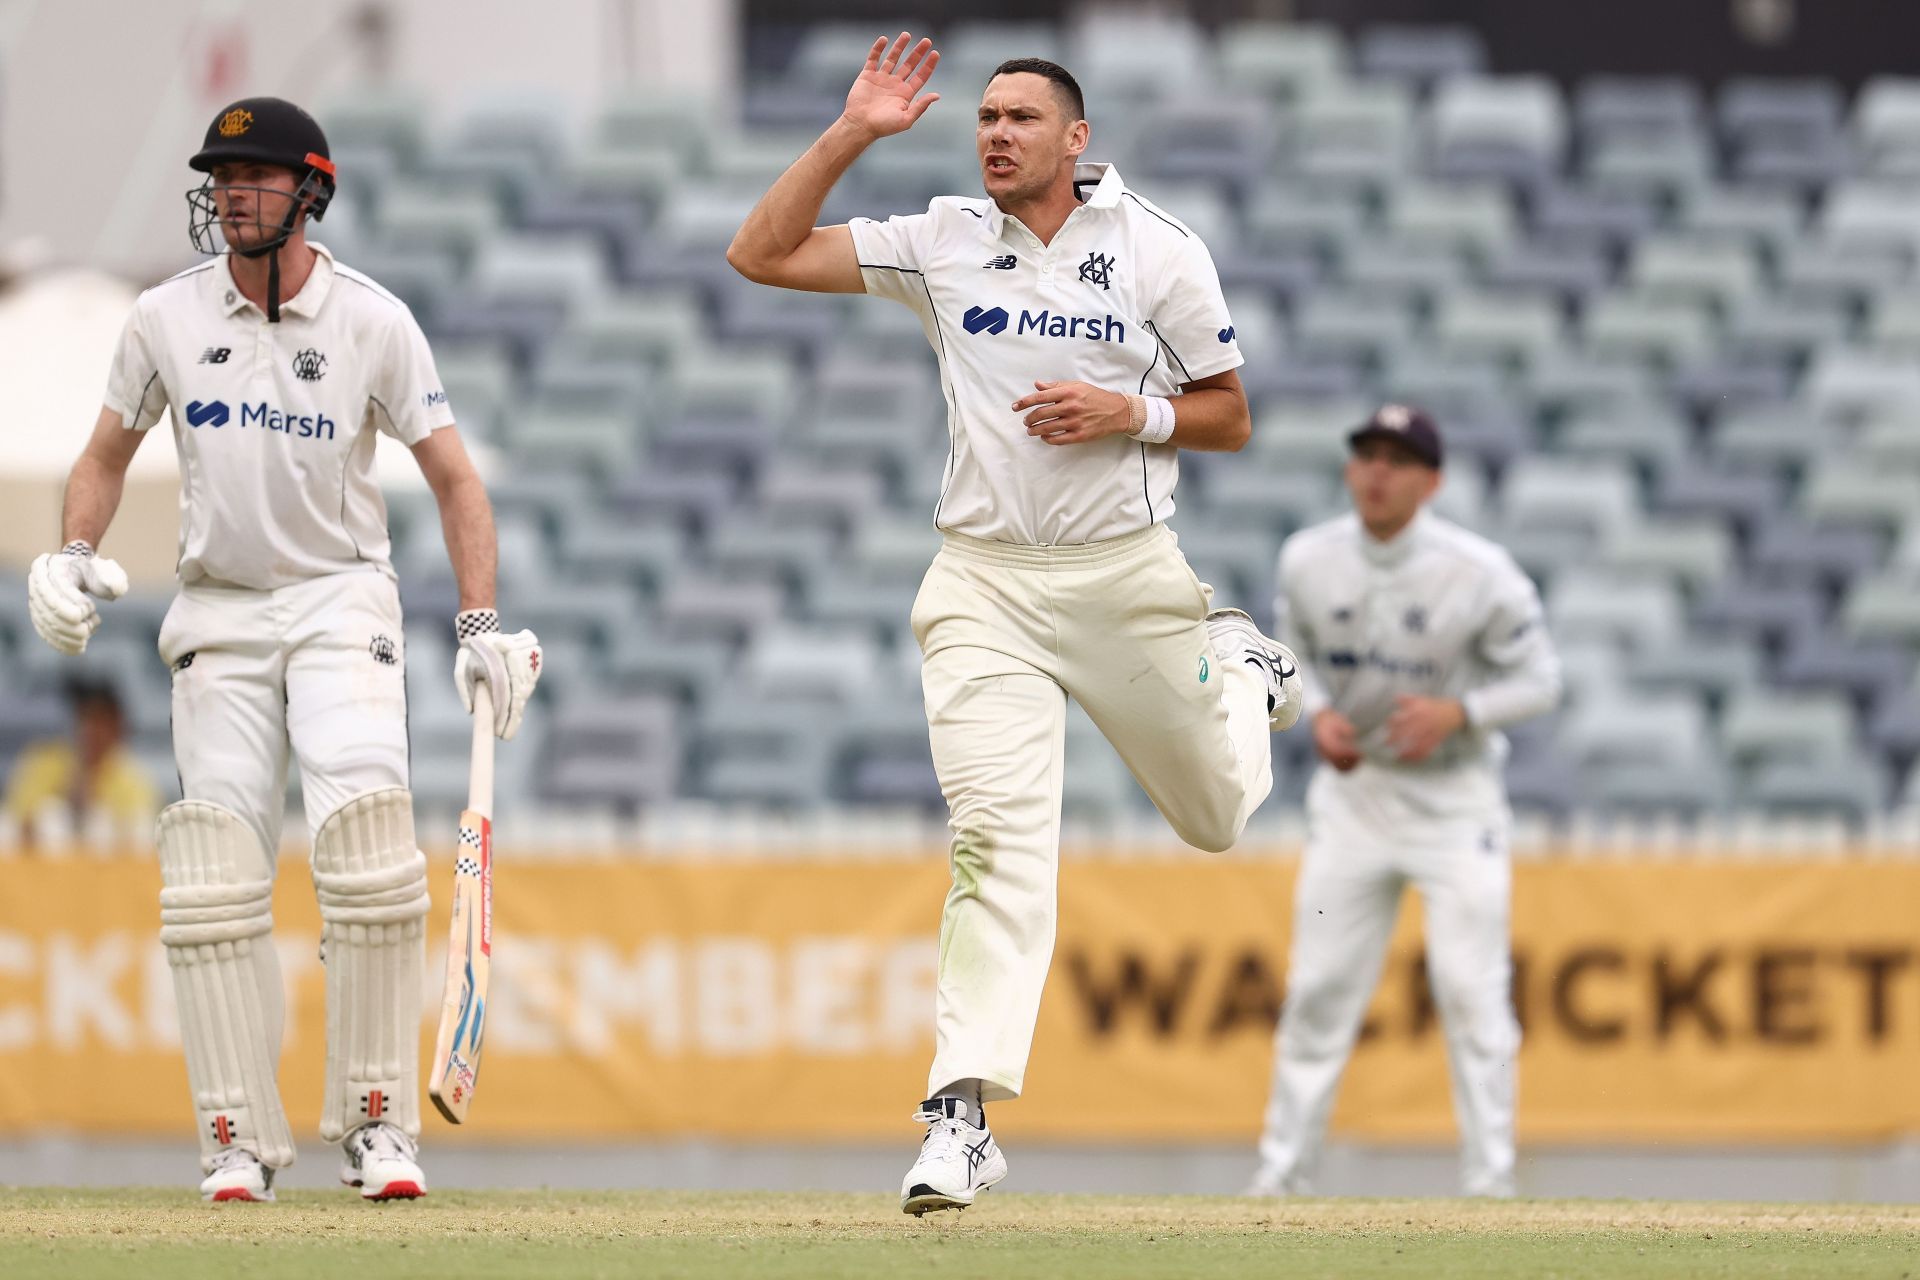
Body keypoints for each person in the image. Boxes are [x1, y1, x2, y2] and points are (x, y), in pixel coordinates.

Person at [727, 34, 1303, 1215]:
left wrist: (1126, 411)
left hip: (1124, 578)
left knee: (1215, 816)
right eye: (984, 117)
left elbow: (1231, 415)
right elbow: (760, 252)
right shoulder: (943, 239)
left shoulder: (1157, 251)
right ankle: (962, 1113)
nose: (995, 134)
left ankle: (1244, 670)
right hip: (983, 583)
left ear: (1076, 139)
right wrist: (852, 134)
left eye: (1021, 119)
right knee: (998, 841)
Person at [24, 97, 543, 1204]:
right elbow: (105, 452)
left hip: (339, 597)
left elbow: (457, 478)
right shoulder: (164, 317)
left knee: (366, 851)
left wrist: (480, 620)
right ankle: (231, 1138)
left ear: (310, 190)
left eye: (255, 176)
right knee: (211, 872)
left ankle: (375, 1122)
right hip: (216, 607)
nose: (231, 193)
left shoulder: (374, 320)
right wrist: (72, 548)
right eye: (221, 176)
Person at [1247, 405, 1562, 1199]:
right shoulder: (1307, 559)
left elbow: (1542, 680)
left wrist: (1461, 713)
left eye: (1398, 460)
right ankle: (1283, 1177)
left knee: (1470, 989)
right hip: (1356, 800)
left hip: (1455, 801)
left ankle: (1490, 1183)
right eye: (1367, 456)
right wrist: (1314, 712)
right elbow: (1293, 654)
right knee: (1319, 988)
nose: (1378, 473)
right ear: (1351, 469)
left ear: (1432, 481)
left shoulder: (1480, 572)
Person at [2, 677, 159, 847]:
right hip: (43, 866)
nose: (92, 730)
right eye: (86, 718)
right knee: (51, 815)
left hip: (108, 867)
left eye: (101, 721)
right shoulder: (45, 759)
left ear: (117, 726)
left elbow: (137, 835)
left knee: (105, 821)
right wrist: (70, 799)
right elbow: (18, 820)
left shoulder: (132, 776)